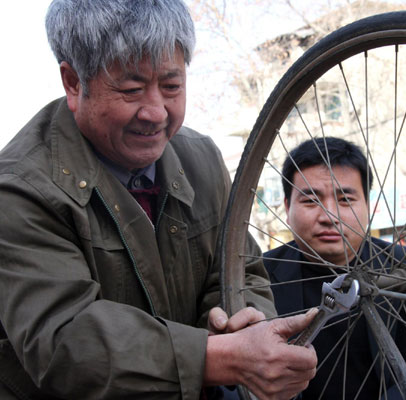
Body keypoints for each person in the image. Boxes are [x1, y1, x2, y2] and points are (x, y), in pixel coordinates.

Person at [0, 1, 317, 399]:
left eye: (172, 86)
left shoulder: (200, 158)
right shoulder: (19, 188)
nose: (155, 112)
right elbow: (67, 343)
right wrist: (218, 357)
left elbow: (240, 269)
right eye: (131, 89)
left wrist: (240, 323)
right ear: (73, 82)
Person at [264, 137, 406, 399]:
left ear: (368, 206)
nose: (329, 217)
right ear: (288, 207)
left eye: (345, 200)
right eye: (311, 201)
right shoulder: (256, 276)